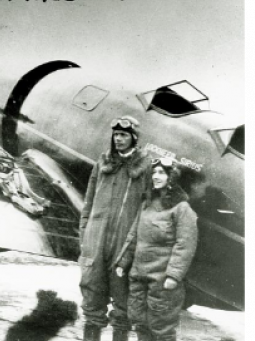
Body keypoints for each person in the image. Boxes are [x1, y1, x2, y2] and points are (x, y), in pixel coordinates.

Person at [79, 116, 152, 341]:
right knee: (91, 293)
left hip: (124, 243)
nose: (118, 139)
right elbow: (89, 200)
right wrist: (85, 233)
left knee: (123, 300)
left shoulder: (146, 166)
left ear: (134, 138)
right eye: (116, 135)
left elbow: (147, 207)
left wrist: (134, 245)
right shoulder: (102, 162)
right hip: (96, 238)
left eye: (124, 135)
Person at [114, 157, 198, 341]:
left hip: (162, 281)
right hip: (138, 276)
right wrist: (123, 262)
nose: (156, 176)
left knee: (161, 327)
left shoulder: (182, 209)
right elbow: (133, 236)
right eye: (154, 172)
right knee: (139, 322)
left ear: (172, 178)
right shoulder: (146, 204)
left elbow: (185, 244)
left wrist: (173, 275)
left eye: (161, 173)